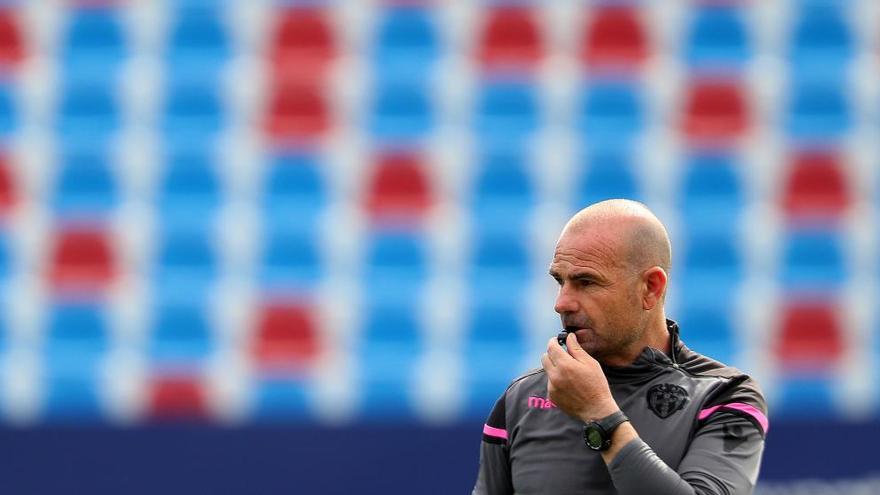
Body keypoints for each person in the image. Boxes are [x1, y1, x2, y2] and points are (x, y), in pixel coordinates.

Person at [472, 199, 767, 495]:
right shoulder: (521, 399)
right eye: (560, 281)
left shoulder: (723, 396)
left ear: (651, 287)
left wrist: (600, 414)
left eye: (586, 282)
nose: (561, 303)